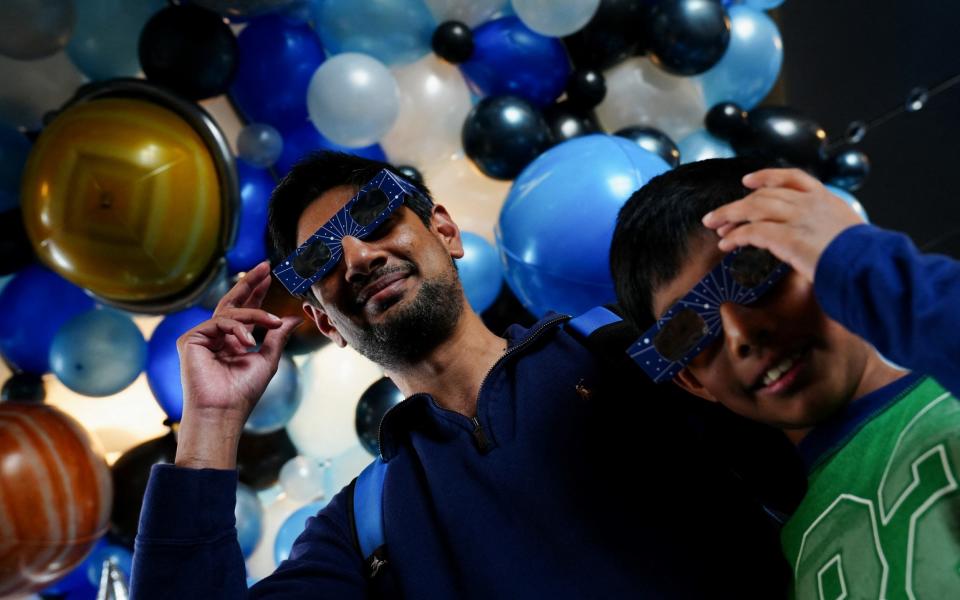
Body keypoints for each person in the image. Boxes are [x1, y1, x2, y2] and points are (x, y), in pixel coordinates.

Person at [130, 152, 801, 599]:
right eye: (320, 261)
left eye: (373, 216)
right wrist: (212, 423)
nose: (359, 257)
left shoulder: (625, 350)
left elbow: (814, 451)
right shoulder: (366, 527)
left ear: (445, 230)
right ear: (327, 325)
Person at [609, 158, 960, 598]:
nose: (741, 335)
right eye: (687, 332)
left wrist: (856, 258)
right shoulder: (799, 554)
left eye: (754, 272)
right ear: (691, 383)